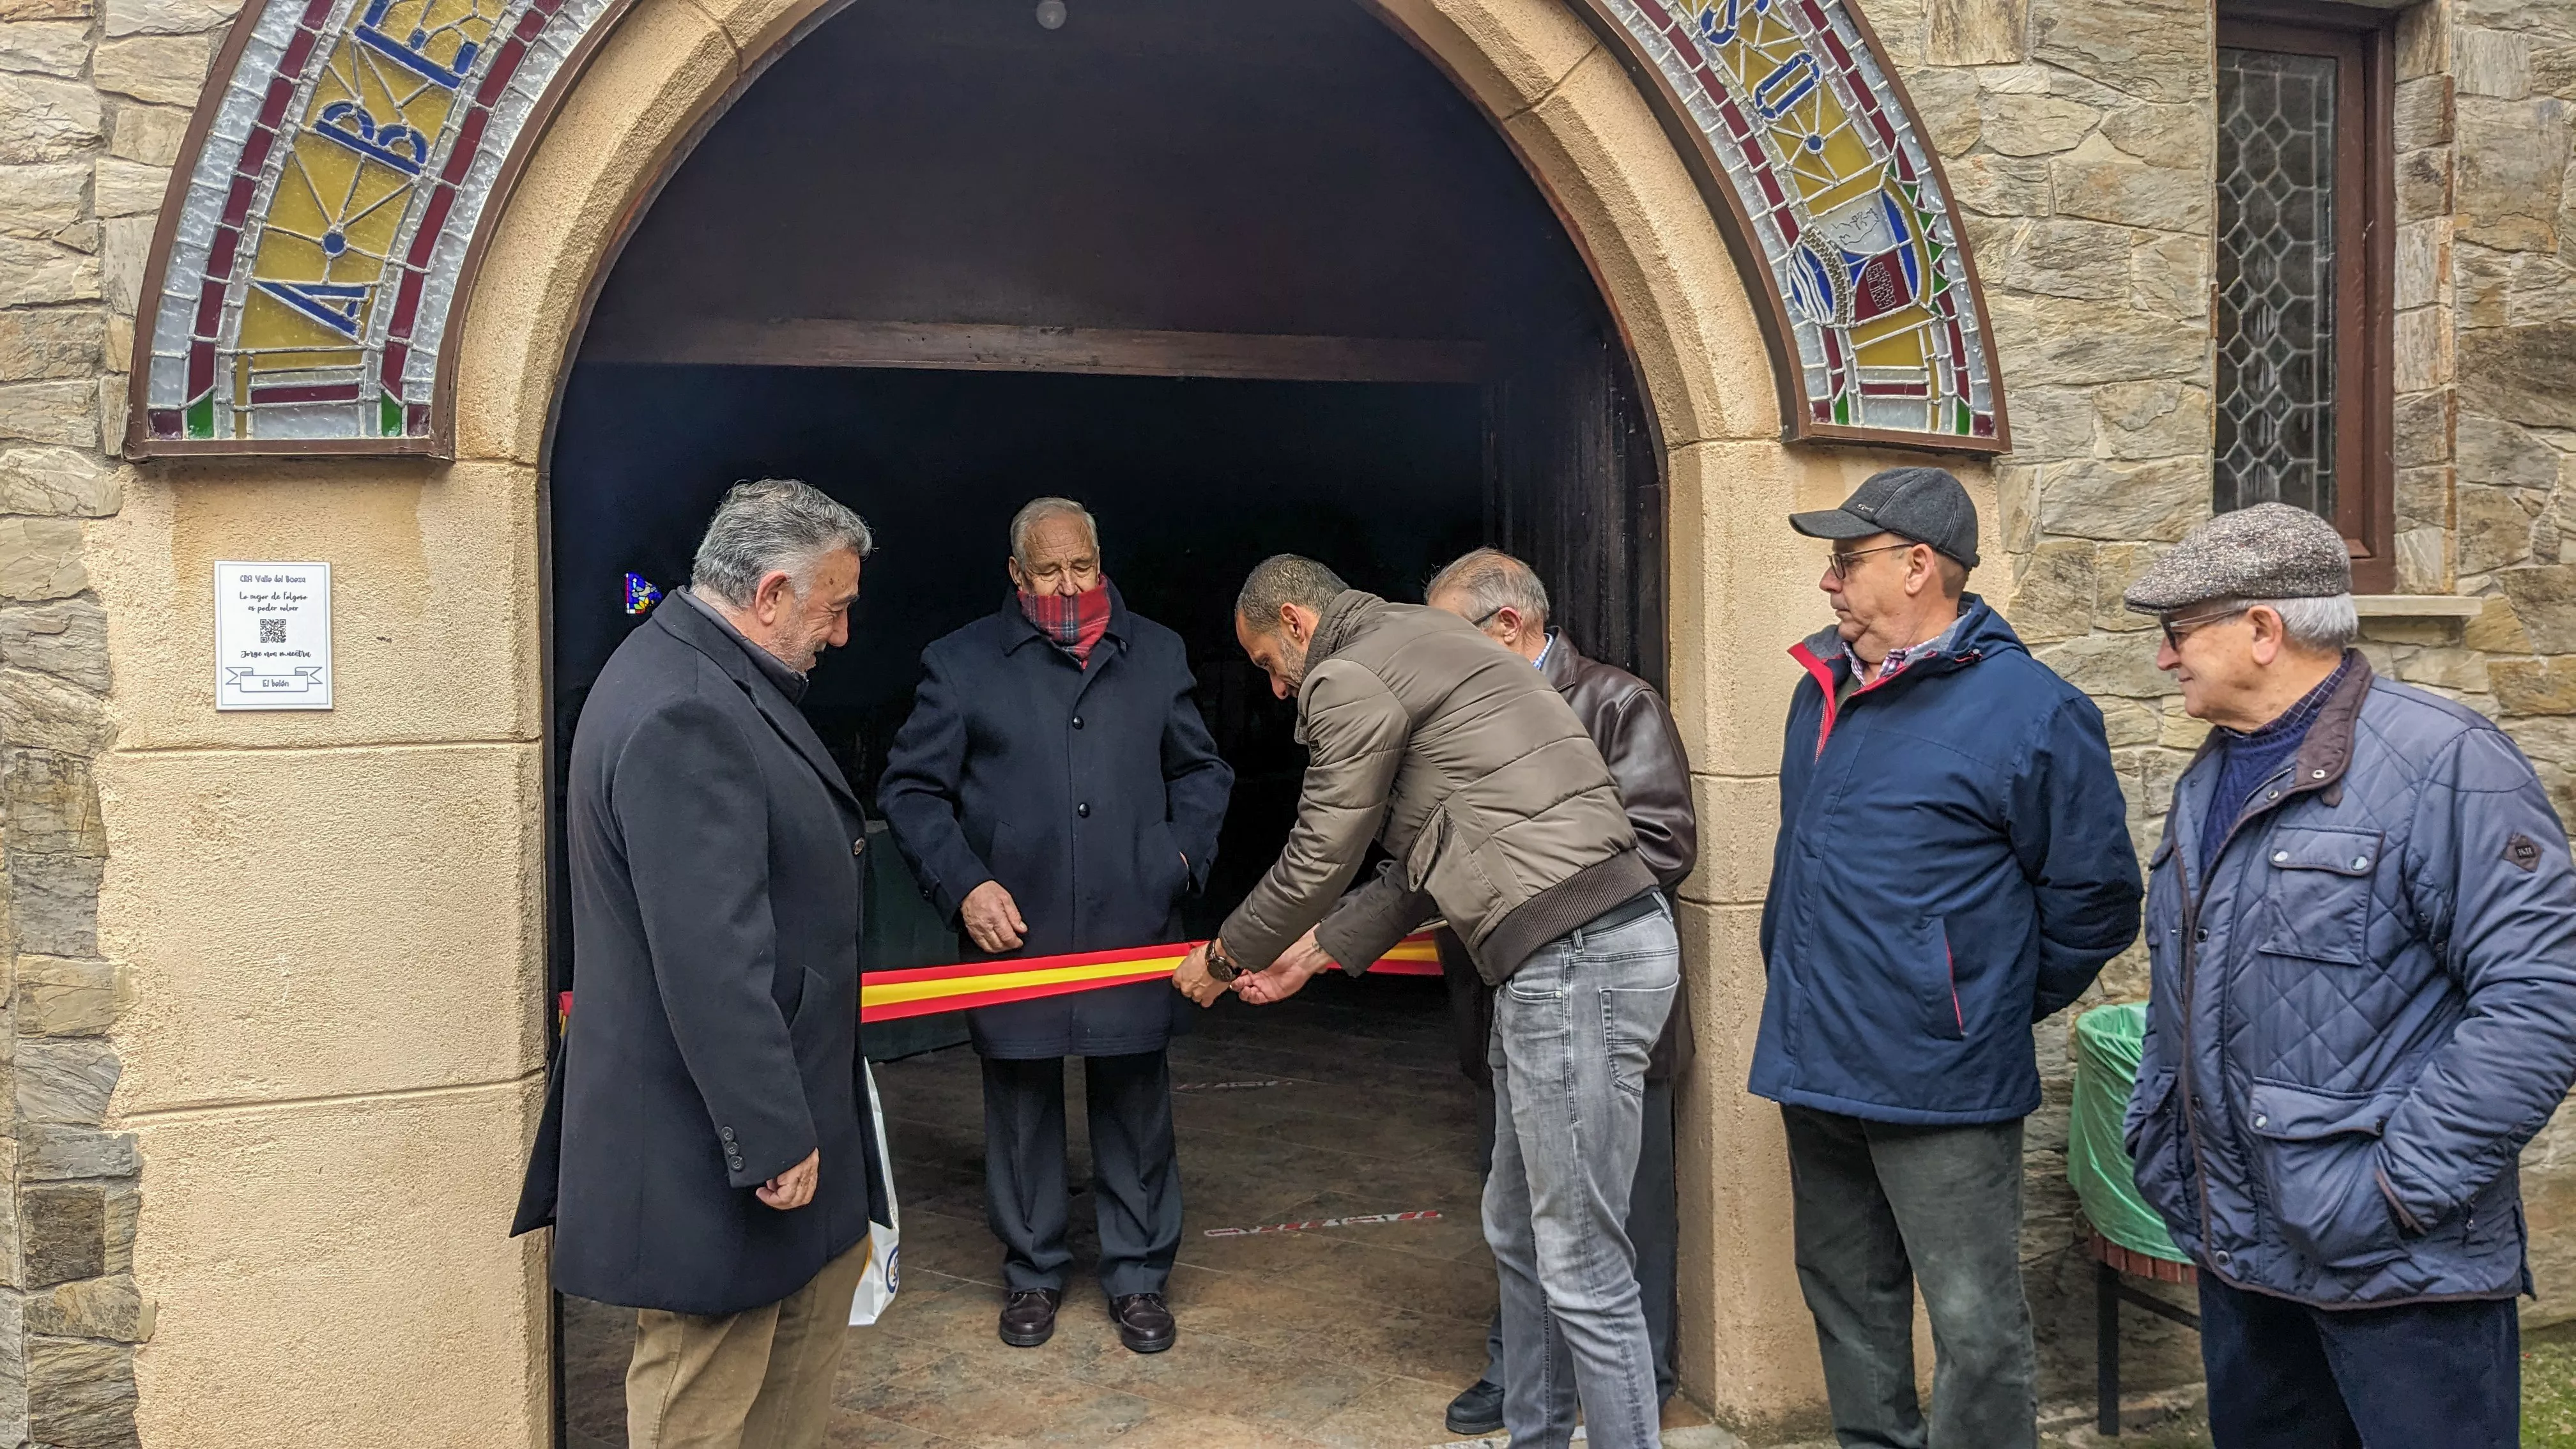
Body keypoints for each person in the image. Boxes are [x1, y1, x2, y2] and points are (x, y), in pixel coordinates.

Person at [1174, 553, 1675, 1449]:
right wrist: (1310, 958)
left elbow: (1322, 849)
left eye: (1266, 665)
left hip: (1573, 957)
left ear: (1295, 623)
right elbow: (1423, 864)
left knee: (1582, 1262)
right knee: (1522, 1239)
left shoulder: (1348, 672)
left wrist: (1222, 955)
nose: (1279, 692)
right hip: (1559, 958)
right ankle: (1537, 1437)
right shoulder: (1427, 642)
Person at [2120, 502, 2576, 1449]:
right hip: (2244, 1259)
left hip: (2401, 1273)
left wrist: (2397, 1191)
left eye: (2177, 633)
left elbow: (2543, 995)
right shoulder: (2211, 777)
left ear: (2261, 629)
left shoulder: (2443, 763)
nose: (2165, 659)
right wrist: (2161, 1137)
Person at [1752, 466, 2141, 1449]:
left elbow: (2096, 902)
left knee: (1974, 1328)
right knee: (1846, 1298)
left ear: (1921, 566)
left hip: (1943, 1080)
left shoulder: (2033, 709)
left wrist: (1973, 1002)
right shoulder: (1823, 690)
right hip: (1817, 1061)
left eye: (1848, 560)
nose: (1830, 583)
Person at [511, 479, 887, 1449]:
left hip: (762, 1137)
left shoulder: (702, 676)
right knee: (707, 1416)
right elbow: (710, 953)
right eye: (834, 606)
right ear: (769, 595)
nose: (841, 634)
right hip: (716, 1151)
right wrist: (771, 1135)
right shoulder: (687, 709)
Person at [878, 497, 1232, 1356]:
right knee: (1022, 1102)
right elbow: (912, 792)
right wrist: (965, 886)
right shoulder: (959, 664)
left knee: (1135, 1099)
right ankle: (1032, 1272)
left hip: (1132, 920)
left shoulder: (1156, 653)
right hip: (1017, 929)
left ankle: (1139, 1276)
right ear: (1016, 574)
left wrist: (1179, 859)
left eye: (1083, 568)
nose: (1068, 586)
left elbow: (1202, 769)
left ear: (1101, 563)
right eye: (1048, 571)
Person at [1422, 548, 1698, 1439]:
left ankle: (1632, 1395)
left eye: (1448, 637)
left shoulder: (1618, 703)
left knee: (1606, 1232)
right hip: (1510, 1005)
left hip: (1603, 1001)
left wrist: (1517, 889)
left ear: (1510, 626)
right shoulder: (1459, 718)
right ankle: (1522, 1385)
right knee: (1519, 1218)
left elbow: (1662, 846)